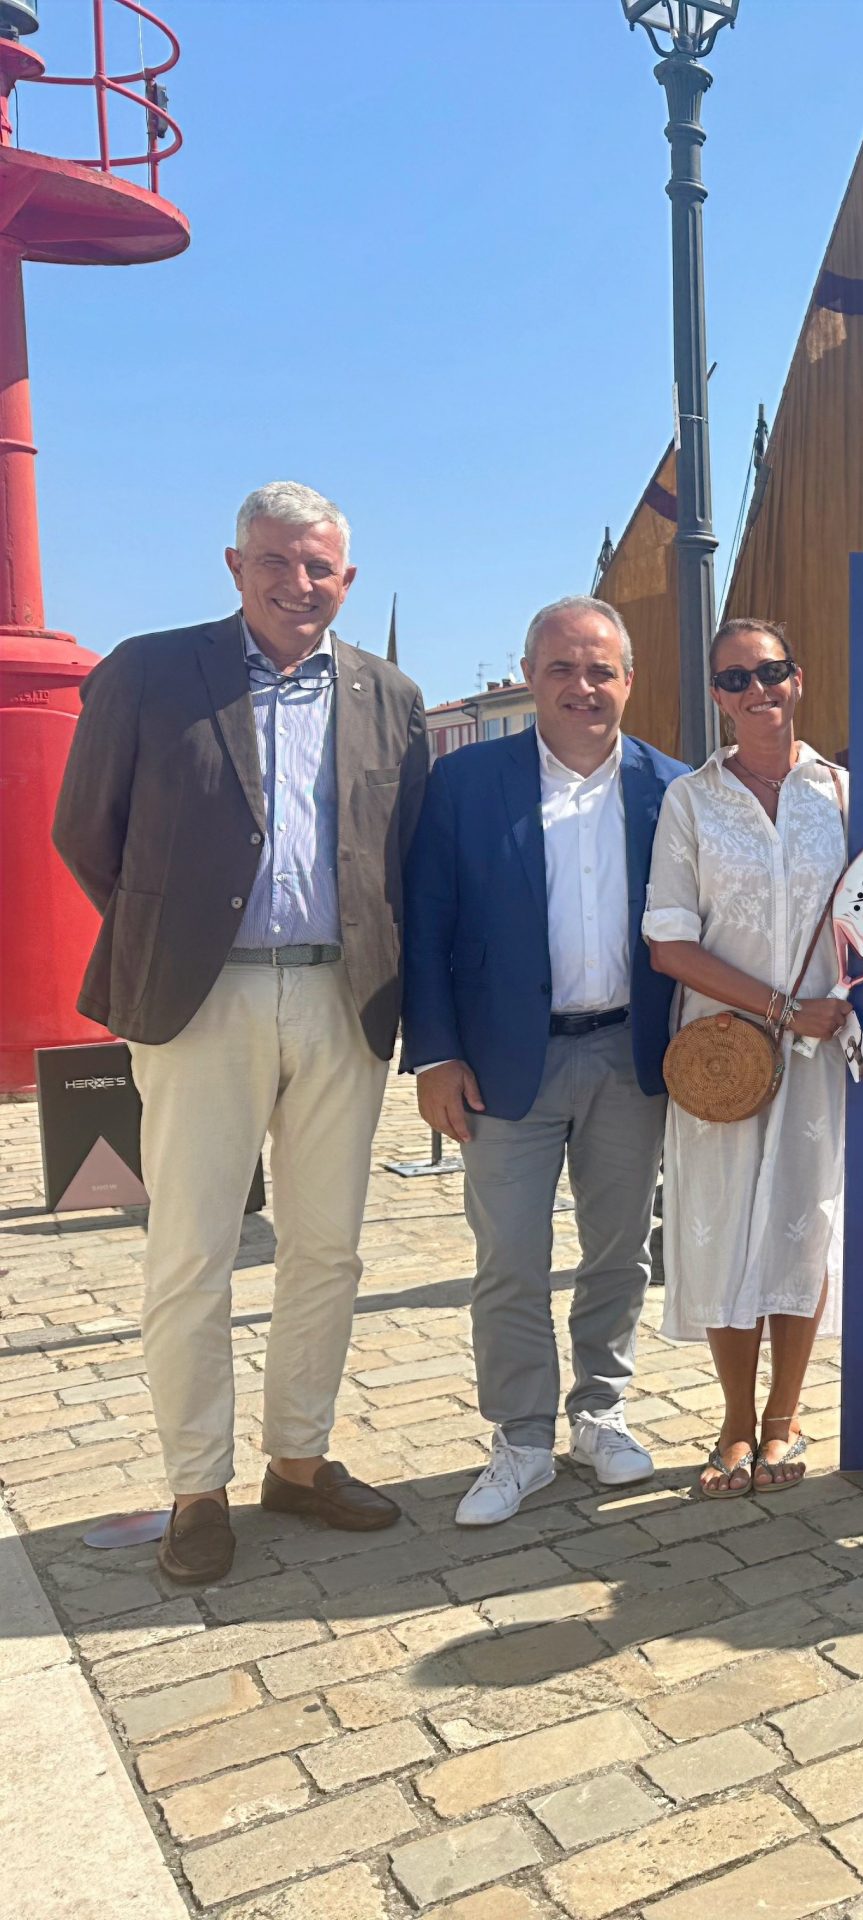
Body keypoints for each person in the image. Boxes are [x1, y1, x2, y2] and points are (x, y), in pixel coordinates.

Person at [52, 482, 426, 1584]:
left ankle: (298, 1461)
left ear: (344, 580)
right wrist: (175, 935)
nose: (296, 583)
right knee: (191, 1252)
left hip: (340, 999)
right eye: (276, 560)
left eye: (318, 567)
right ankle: (196, 1485)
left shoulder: (391, 696)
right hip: (198, 1001)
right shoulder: (149, 675)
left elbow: (400, 853)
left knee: (327, 1248)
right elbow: (90, 835)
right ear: (234, 564)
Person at [402, 597, 689, 1525]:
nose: (583, 687)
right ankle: (522, 1437)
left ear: (629, 681)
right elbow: (429, 929)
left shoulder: (671, 790)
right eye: (563, 668)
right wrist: (435, 1055)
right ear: (532, 677)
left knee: (618, 1254)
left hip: (627, 1056)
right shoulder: (466, 785)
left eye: (601, 670)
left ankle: (599, 1413)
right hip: (503, 1064)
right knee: (511, 1258)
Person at [644, 618, 853, 1498]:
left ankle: (785, 1417)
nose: (755, 689)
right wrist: (775, 1008)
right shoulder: (690, 801)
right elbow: (667, 941)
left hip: (820, 1053)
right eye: (734, 679)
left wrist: (833, 1011)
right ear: (717, 696)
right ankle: (733, 1418)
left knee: (804, 1226)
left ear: (797, 679)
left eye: (770, 671)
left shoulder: (846, 794)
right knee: (725, 1228)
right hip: (723, 1054)